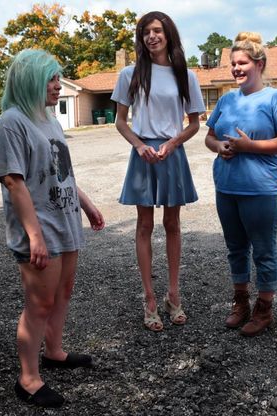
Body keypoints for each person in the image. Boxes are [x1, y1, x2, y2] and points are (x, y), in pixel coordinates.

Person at [0, 49, 105, 408]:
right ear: (30, 82)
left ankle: (54, 351)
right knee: (39, 303)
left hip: (65, 219)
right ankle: (28, 378)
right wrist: (34, 235)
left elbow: (62, 173)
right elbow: (13, 182)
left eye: (58, 78)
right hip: (39, 229)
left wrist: (85, 204)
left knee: (63, 292)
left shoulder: (49, 120)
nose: (58, 85)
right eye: (51, 79)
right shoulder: (11, 122)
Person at [112, 11, 205, 332]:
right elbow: (121, 122)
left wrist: (173, 142)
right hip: (143, 155)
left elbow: (194, 123)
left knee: (172, 224)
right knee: (144, 225)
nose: (152, 36)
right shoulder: (130, 73)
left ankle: (173, 294)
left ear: (168, 35)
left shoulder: (185, 75)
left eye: (157, 30)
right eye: (146, 32)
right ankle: (149, 297)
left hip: (171, 153)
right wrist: (139, 145)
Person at [205, 32, 277, 337]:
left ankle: (264, 308)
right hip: (227, 186)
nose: (236, 69)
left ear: (259, 64)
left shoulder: (276, 98)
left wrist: (249, 147)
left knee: (264, 250)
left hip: (261, 188)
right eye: (233, 64)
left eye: (242, 63)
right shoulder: (227, 99)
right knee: (235, 249)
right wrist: (220, 147)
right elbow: (209, 136)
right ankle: (241, 302)